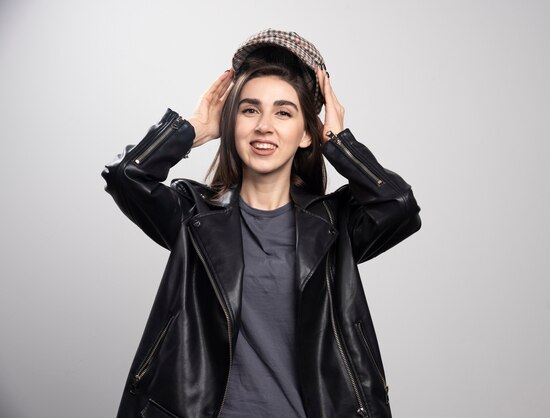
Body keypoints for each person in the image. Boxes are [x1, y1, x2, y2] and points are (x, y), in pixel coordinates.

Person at [103, 29, 421, 418]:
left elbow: (399, 206)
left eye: (284, 112)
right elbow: (126, 177)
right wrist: (191, 129)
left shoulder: (335, 224)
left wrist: (339, 142)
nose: (264, 126)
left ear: (307, 133)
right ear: (231, 122)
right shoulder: (194, 216)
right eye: (249, 110)